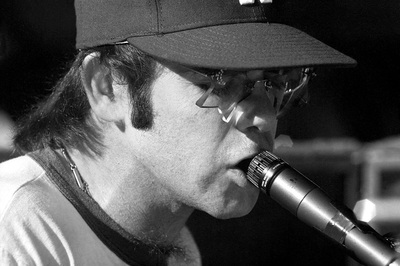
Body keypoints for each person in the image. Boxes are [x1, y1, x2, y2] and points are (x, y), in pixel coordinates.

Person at [0, 0, 356, 265]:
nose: (264, 119)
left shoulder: (175, 247)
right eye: (220, 82)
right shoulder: (14, 232)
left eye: (276, 82)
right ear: (108, 87)